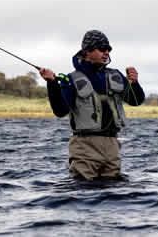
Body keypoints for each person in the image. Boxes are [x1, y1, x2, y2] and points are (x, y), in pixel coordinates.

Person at [39, 30, 146, 180]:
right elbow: (60, 110)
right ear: (88, 51)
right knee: (83, 193)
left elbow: (136, 101)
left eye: (108, 49)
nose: (106, 52)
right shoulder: (71, 79)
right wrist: (52, 84)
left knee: (113, 194)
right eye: (102, 48)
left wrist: (134, 83)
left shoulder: (115, 75)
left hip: (112, 146)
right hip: (84, 146)